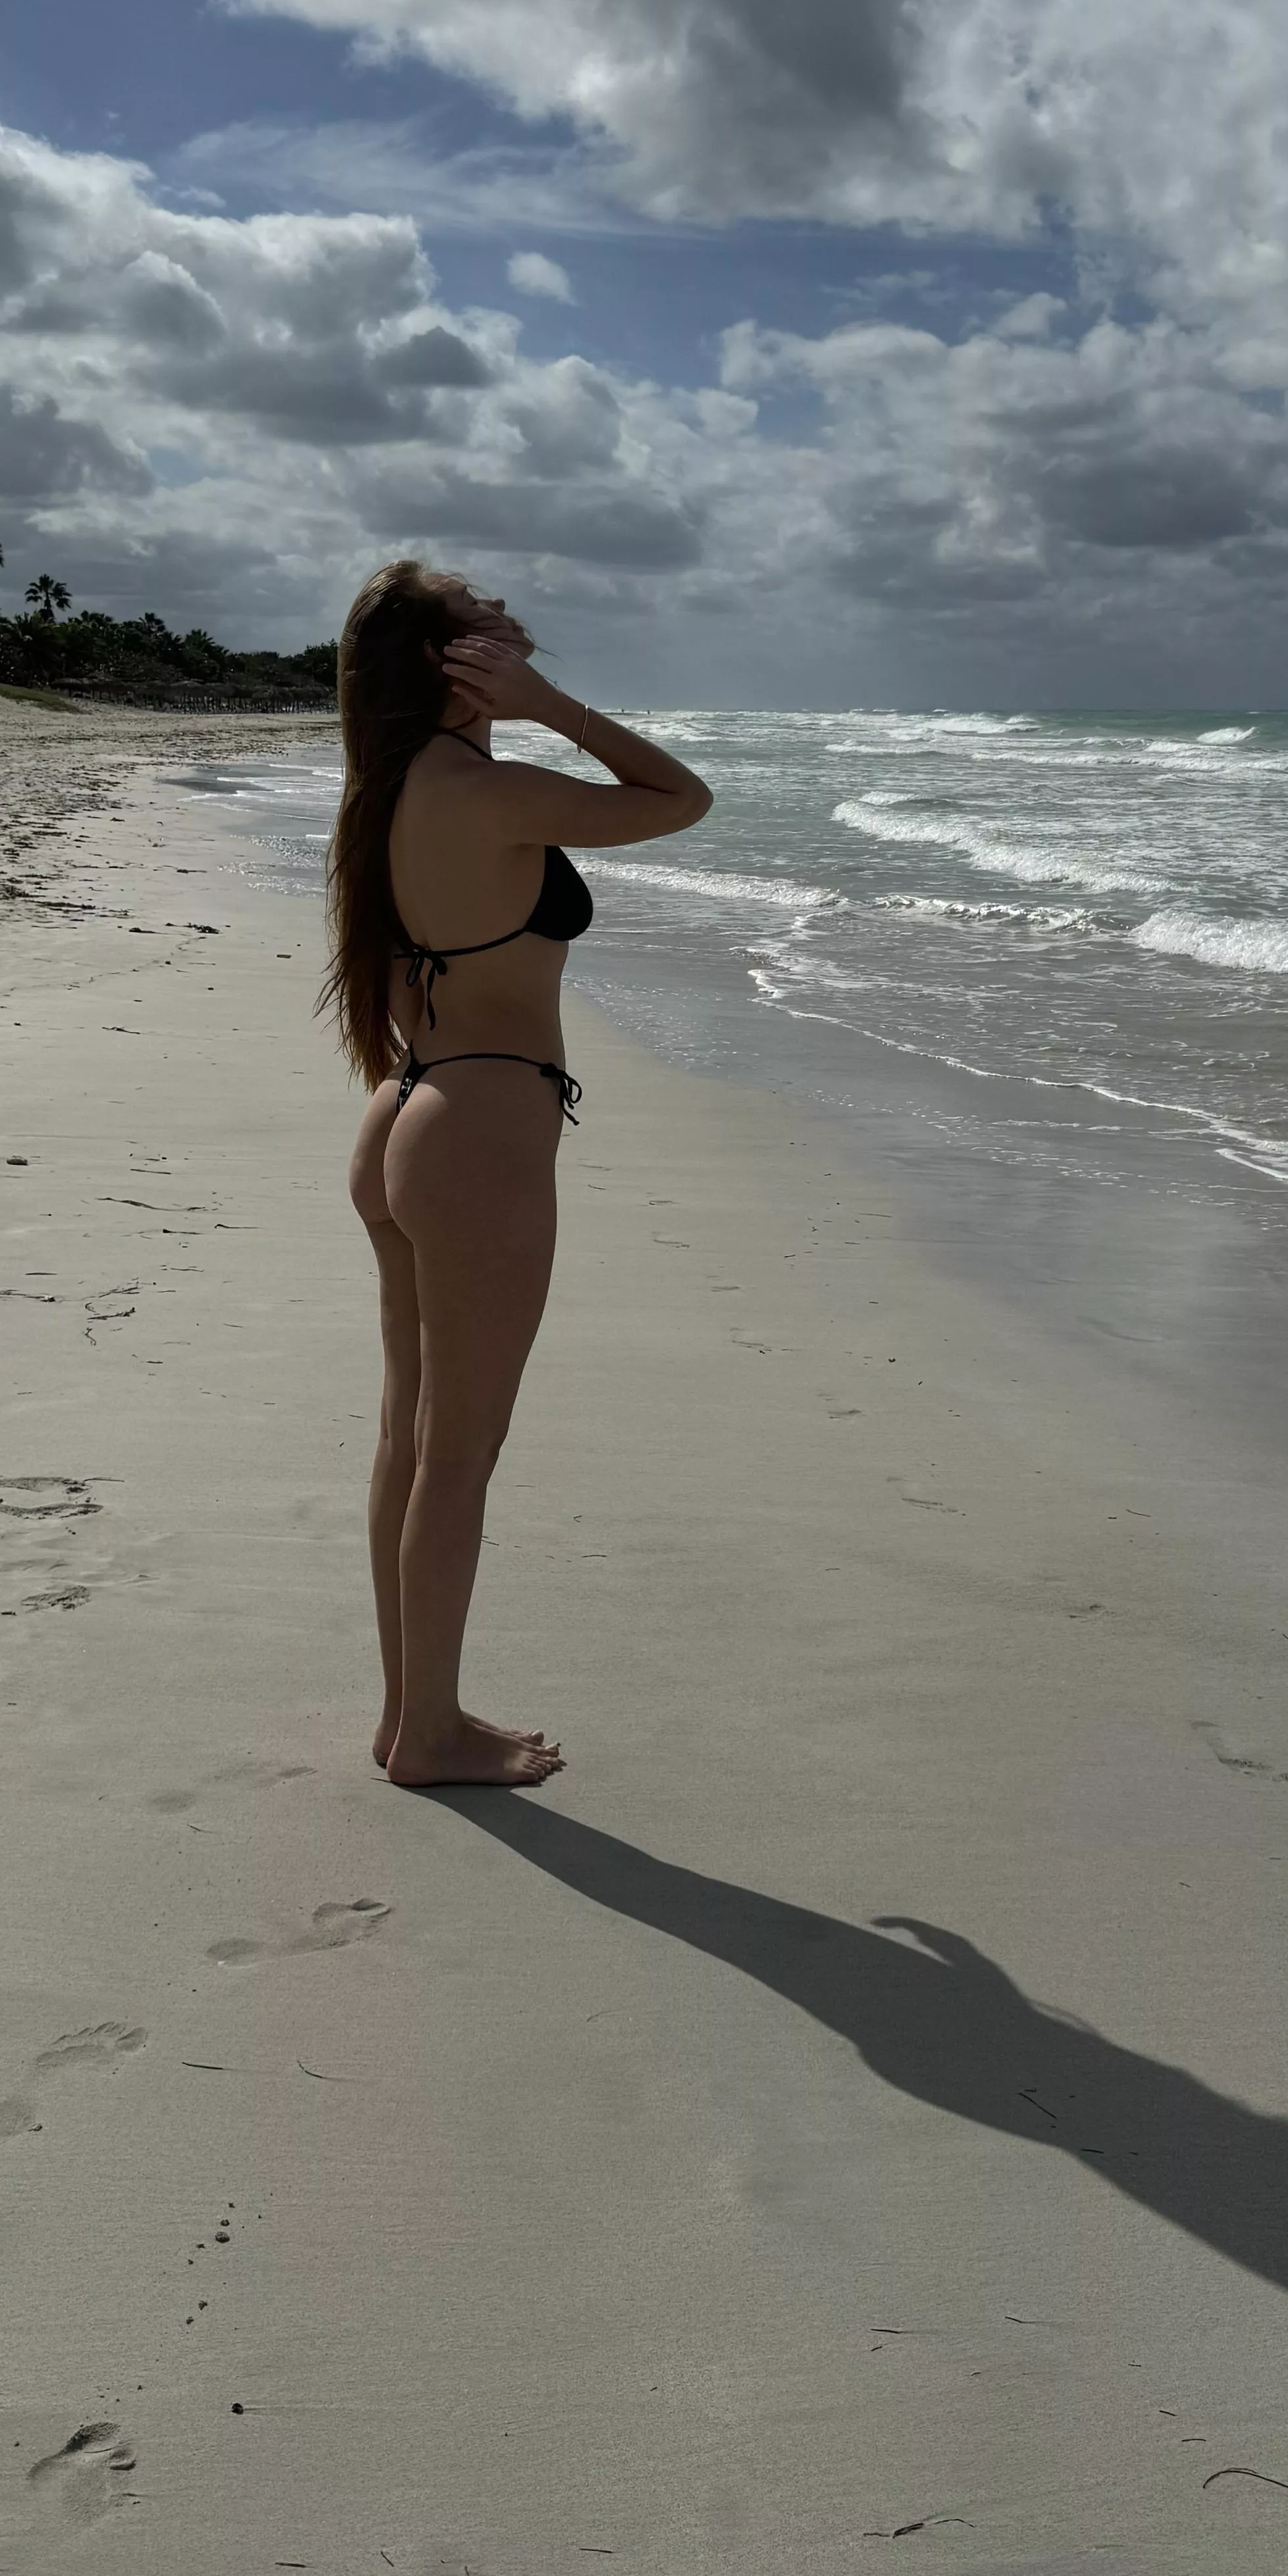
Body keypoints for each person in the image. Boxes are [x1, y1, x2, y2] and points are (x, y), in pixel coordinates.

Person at [322, 562, 712, 1786]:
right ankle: (429, 1733)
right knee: (457, 1452)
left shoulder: (388, 791)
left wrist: (517, 704)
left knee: (409, 1435)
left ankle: (409, 1714)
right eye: (482, 625)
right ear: (449, 664)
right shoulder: (483, 792)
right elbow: (681, 797)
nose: (505, 625)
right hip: (476, 1132)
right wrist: (551, 708)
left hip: (407, 1113)